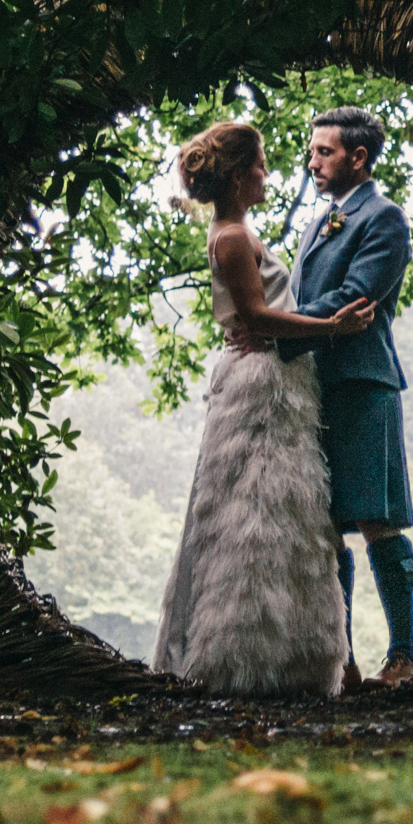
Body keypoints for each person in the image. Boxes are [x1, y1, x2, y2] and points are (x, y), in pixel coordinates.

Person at [152, 121, 376, 696]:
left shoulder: (239, 231)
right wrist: (332, 326)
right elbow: (254, 317)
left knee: (283, 510)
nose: (267, 172)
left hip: (279, 380)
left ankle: (290, 658)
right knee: (250, 513)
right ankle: (238, 657)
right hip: (260, 385)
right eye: (259, 164)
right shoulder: (230, 237)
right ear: (236, 174)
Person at [276, 107, 413, 689]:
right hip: (313, 389)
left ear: (358, 157)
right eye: (312, 151)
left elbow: (355, 299)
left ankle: (404, 658)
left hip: (363, 383)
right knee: (328, 524)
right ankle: (343, 661)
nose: (312, 162)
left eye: (324, 152)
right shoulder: (316, 223)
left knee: (376, 518)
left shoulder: (385, 218)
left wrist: (276, 332)